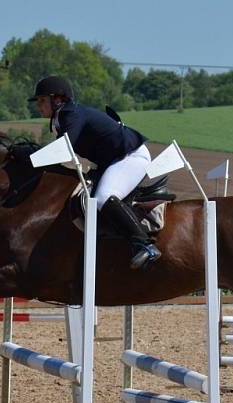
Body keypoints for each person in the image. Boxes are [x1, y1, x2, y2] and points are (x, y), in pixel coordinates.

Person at [28, 75, 162, 270]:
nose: (38, 105)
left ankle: (145, 244)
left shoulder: (70, 114)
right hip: (112, 160)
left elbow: (64, 149)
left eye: (42, 100)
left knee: (102, 198)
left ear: (58, 99)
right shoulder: (63, 117)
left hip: (130, 156)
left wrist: (30, 158)